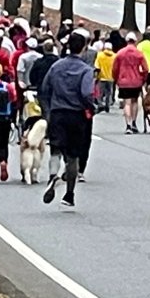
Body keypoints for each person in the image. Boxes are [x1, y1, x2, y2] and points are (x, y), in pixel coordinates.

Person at [40, 33, 95, 207]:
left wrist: (48, 108)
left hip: (57, 112)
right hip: (76, 115)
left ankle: (53, 174)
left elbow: (45, 87)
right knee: (73, 156)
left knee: (55, 149)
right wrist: (92, 106)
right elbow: (87, 93)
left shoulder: (56, 66)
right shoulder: (86, 70)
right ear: (84, 48)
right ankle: (69, 194)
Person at [112, 32, 148, 134]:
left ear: (126, 41)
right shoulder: (139, 53)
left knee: (126, 103)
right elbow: (145, 69)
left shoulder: (120, 53)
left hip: (124, 80)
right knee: (135, 102)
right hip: (136, 80)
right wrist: (143, 78)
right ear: (135, 41)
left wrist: (116, 79)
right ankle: (134, 122)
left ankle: (128, 125)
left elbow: (115, 68)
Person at [94, 42, 116, 112]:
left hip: (101, 76)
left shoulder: (100, 55)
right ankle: (107, 105)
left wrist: (96, 76)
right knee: (109, 93)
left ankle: (100, 104)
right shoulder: (114, 56)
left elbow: (97, 66)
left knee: (100, 92)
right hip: (111, 77)